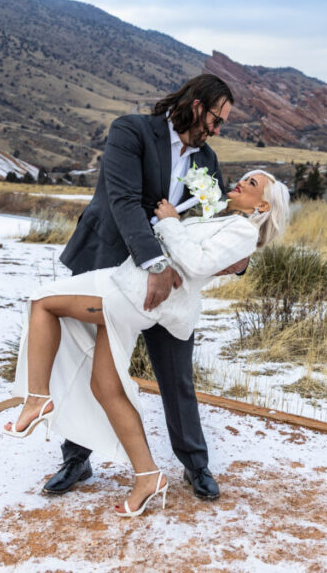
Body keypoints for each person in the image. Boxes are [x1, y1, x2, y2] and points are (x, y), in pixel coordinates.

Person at [5, 170, 290, 516]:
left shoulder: (243, 230)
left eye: (253, 184)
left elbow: (198, 262)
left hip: (130, 292)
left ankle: (37, 398)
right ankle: (147, 476)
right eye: (245, 177)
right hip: (129, 283)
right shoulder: (224, 219)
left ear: (261, 205)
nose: (242, 182)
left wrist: (170, 222)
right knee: (105, 386)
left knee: (42, 302)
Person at [30, 74, 235, 502]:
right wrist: (154, 262)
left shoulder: (208, 163)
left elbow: (209, 225)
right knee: (89, 364)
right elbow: (123, 200)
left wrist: (234, 256)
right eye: (217, 119)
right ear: (197, 106)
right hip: (107, 266)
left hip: (168, 288)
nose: (218, 131)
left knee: (176, 373)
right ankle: (76, 458)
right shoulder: (131, 131)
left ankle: (195, 465)